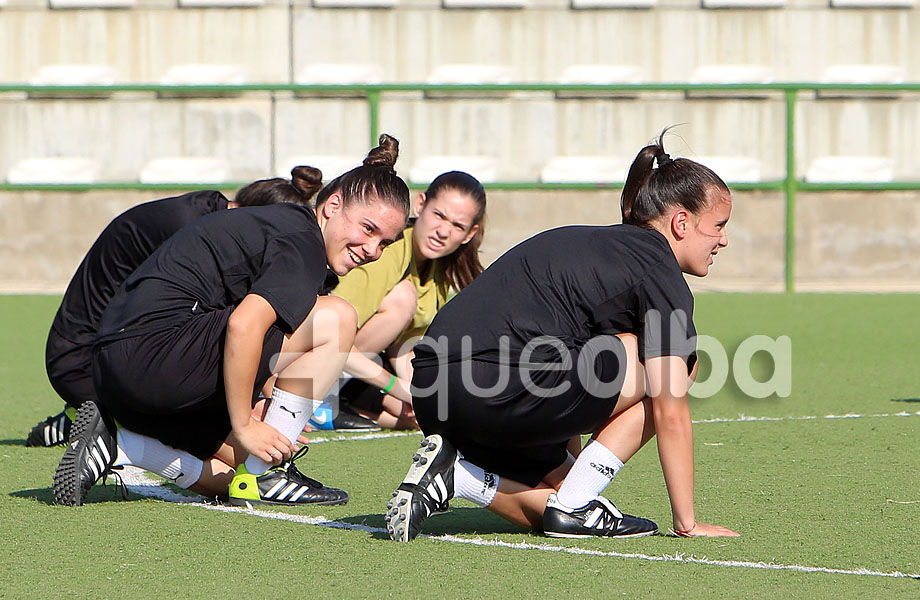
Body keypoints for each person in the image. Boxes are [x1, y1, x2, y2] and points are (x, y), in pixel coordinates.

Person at [385, 131, 741, 541]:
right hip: (496, 388)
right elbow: (670, 409)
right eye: (718, 225)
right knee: (681, 365)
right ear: (681, 223)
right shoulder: (657, 269)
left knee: (552, 507)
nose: (723, 239)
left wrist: (566, 472)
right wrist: (687, 522)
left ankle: (458, 478)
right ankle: (576, 502)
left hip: (435, 394)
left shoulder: (588, 241)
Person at [52, 134, 410, 507]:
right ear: (333, 205)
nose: (372, 250)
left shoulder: (285, 226)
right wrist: (245, 423)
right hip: (153, 359)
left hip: (123, 375)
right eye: (368, 229)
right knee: (337, 318)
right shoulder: (302, 241)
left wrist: (258, 402)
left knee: (230, 477)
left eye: (385, 242)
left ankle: (124, 446)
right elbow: (244, 325)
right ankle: (267, 470)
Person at [28, 172, 318, 448]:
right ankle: (99, 420)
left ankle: (87, 415)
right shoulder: (192, 229)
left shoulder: (206, 212)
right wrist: (251, 404)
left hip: (101, 356)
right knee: (227, 447)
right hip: (85, 364)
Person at [327, 171, 486, 431]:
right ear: (420, 204)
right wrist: (394, 385)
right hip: (316, 358)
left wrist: (421, 395)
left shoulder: (440, 270)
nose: (443, 231)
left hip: (360, 366)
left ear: (470, 233)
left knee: (417, 416)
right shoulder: (387, 251)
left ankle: (334, 406)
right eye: (439, 215)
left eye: (457, 226)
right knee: (403, 298)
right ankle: (321, 397)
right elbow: (330, 339)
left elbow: (403, 347)